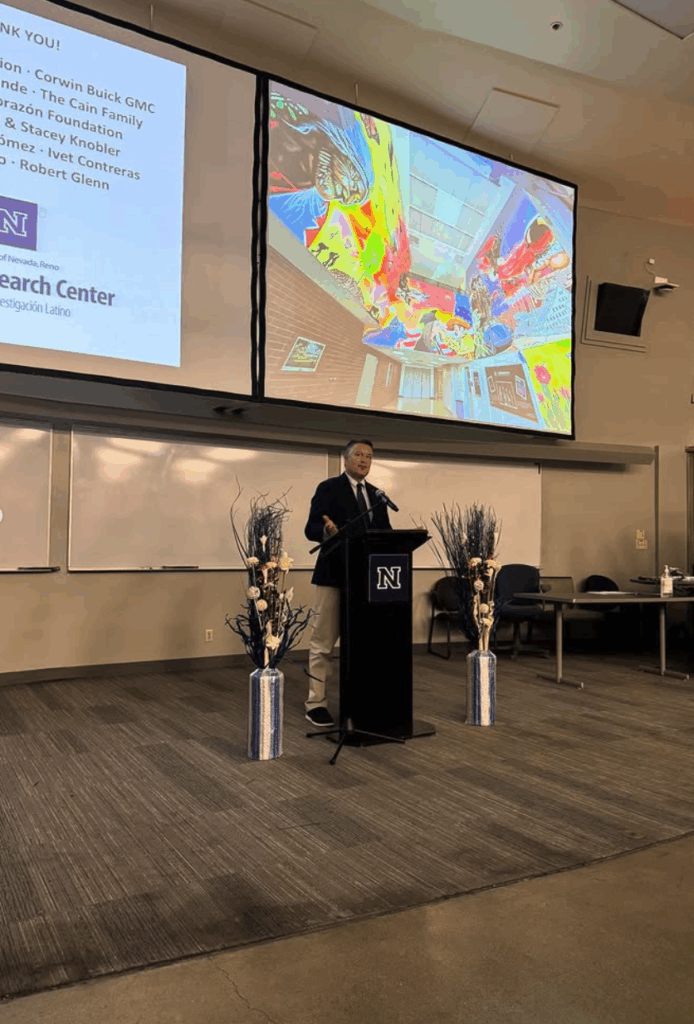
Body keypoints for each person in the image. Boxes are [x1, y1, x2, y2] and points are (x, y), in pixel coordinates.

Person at [303, 439, 392, 727]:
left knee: (364, 646)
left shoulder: (377, 495)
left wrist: (405, 538)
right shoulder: (329, 488)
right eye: (359, 455)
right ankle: (316, 703)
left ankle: (361, 702)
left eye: (369, 456)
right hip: (334, 574)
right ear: (346, 459)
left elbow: (385, 535)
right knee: (323, 644)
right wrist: (326, 531)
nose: (364, 460)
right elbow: (310, 527)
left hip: (367, 581)